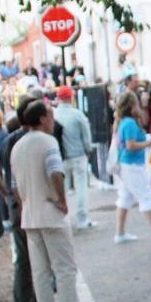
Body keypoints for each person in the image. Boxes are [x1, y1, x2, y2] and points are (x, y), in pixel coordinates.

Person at [8, 101, 103, 302]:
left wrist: (24, 206)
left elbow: (15, 186)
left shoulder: (17, 146)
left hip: (30, 214)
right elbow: (55, 171)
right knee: (64, 267)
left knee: (40, 270)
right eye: (50, 116)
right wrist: (61, 198)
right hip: (49, 211)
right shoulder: (47, 142)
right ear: (42, 119)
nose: (54, 121)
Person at [0, 96, 39, 302]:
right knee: (38, 256)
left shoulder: (8, 141)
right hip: (31, 201)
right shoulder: (32, 140)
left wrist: (5, 193)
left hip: (15, 204)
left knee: (23, 257)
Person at [111, 91, 151, 244]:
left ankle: (120, 233)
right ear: (132, 105)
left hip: (127, 165)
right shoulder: (130, 123)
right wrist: (150, 142)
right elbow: (131, 145)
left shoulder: (123, 122)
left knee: (125, 198)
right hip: (133, 165)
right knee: (146, 196)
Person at [53, 86, 96, 230]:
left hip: (60, 157)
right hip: (78, 155)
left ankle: (63, 219)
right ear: (70, 97)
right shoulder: (77, 115)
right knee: (81, 188)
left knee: (61, 190)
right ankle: (82, 219)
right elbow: (86, 136)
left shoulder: (53, 115)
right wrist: (88, 149)